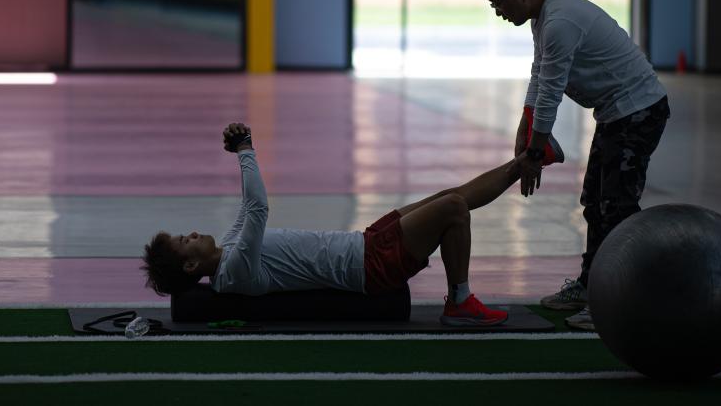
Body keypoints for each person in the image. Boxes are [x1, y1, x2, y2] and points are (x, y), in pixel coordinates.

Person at [141, 122, 564, 327]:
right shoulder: (233, 271)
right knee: (453, 208)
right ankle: (460, 302)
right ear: (191, 266)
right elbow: (256, 208)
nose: (191, 234)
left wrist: (240, 151)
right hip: (368, 267)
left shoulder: (229, 248)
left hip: (364, 243)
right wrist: (245, 150)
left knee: (449, 197)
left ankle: (528, 160)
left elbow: (244, 210)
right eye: (184, 241)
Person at [482, 0, 670, 331]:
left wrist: (535, 152)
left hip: (639, 111)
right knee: (595, 204)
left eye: (499, 3)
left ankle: (619, 299)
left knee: (616, 207)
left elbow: (551, 93)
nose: (499, 12)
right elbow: (540, 75)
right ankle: (591, 286)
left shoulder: (559, 22)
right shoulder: (543, 18)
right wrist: (525, 127)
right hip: (617, 114)